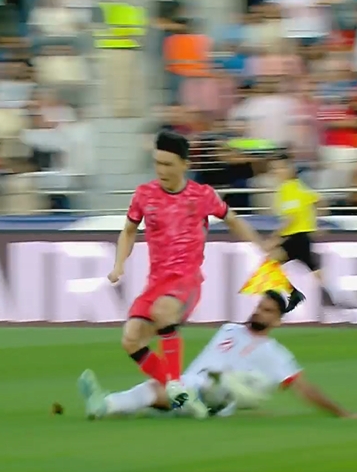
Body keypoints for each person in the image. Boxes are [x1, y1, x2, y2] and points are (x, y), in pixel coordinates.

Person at [107, 130, 269, 419]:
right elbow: (129, 230)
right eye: (157, 163)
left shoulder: (202, 195)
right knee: (131, 338)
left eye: (168, 164)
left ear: (184, 164)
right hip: (155, 283)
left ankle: (174, 385)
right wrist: (119, 263)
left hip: (186, 281)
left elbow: (232, 220)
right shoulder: (144, 194)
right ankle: (181, 392)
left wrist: (260, 248)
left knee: (162, 311)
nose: (161, 170)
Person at [78, 290, 357, 420]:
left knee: (160, 389)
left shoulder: (274, 353)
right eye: (259, 306)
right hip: (192, 384)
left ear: (277, 321)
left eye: (267, 311)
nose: (259, 312)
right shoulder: (229, 329)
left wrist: (342, 413)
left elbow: (304, 388)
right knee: (157, 392)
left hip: (211, 395)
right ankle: (109, 405)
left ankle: (105, 404)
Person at [266, 153, 353, 310]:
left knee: (270, 264)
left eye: (280, 168)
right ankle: (334, 301)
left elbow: (291, 218)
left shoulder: (287, 189)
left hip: (294, 238)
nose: (276, 172)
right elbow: (319, 201)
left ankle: (296, 295)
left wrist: (275, 237)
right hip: (303, 238)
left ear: (290, 170)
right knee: (315, 272)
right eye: (274, 169)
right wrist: (317, 224)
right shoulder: (299, 186)